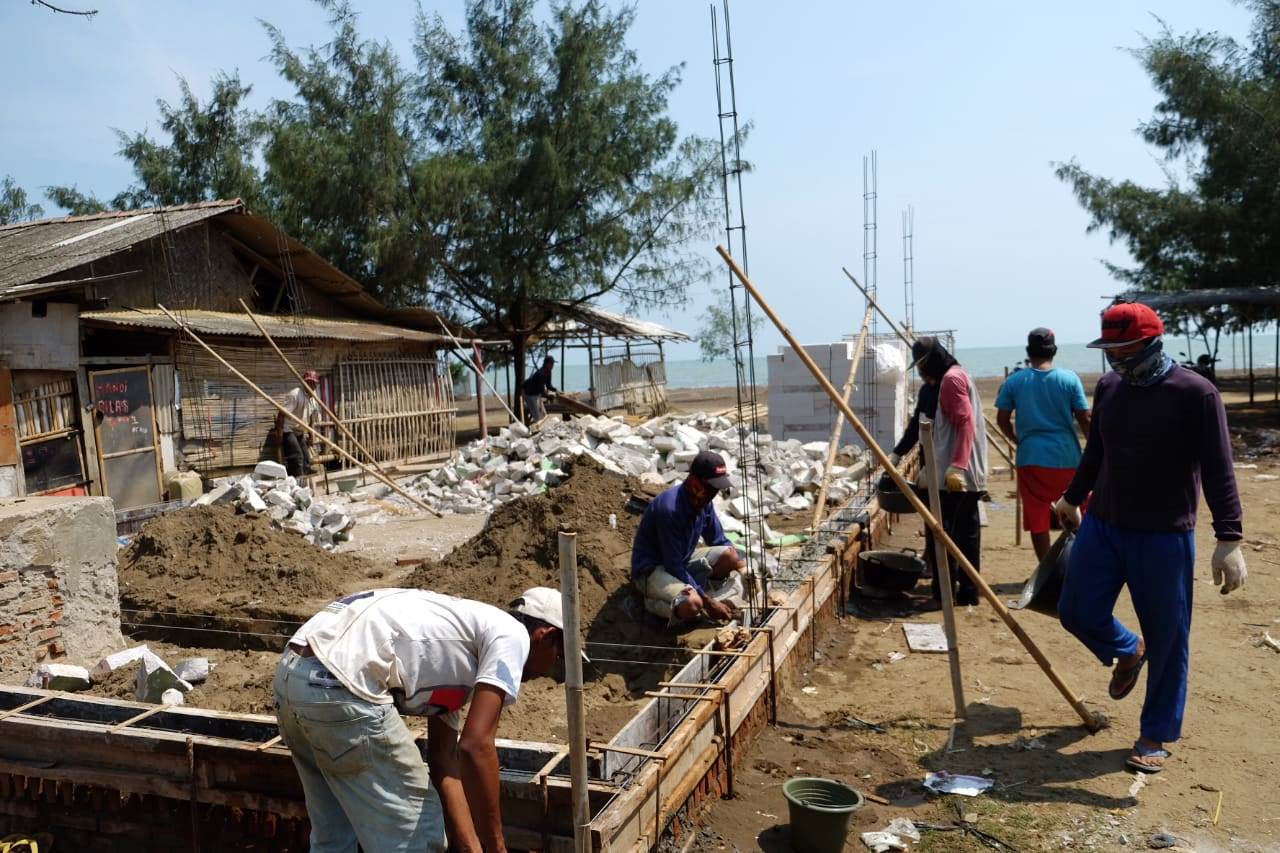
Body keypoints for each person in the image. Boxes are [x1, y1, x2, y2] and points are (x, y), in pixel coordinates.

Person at [1052, 302, 1245, 775]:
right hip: (1104, 524)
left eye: (1125, 349)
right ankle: (1127, 649)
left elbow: (1219, 467)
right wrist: (1071, 498)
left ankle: (1154, 734)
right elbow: (1096, 450)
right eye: (1110, 350)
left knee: (1170, 637)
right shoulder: (1111, 388)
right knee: (1075, 610)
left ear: (1153, 342)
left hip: (1164, 535)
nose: (1116, 359)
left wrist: (1229, 538)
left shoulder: (1194, 393)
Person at [275, 586, 581, 852]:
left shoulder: (461, 644)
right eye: (558, 658)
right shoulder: (513, 636)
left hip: (295, 678)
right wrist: (497, 846)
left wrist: (472, 846)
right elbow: (475, 746)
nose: (549, 671)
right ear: (546, 636)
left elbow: (444, 757)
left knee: (336, 834)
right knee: (418, 831)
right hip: (341, 683)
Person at [994, 328, 1091, 559]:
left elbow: (1002, 419)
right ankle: (1080, 562)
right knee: (1077, 508)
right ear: (1054, 351)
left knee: (1036, 515)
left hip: (1030, 458)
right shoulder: (1069, 379)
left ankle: (1047, 570)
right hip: (1067, 457)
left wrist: (1018, 439)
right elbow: (1085, 418)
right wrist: (1094, 449)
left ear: (1029, 352)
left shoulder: (1015, 381)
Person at [913, 337, 989, 608]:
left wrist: (956, 465)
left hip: (956, 475)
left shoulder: (951, 381)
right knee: (966, 534)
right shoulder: (959, 375)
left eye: (923, 367)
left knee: (944, 534)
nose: (922, 374)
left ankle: (944, 593)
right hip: (964, 471)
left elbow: (966, 423)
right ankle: (968, 591)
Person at [631, 450, 747, 624]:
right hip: (653, 570)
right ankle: (651, 605)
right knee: (692, 604)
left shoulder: (703, 501)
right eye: (711, 487)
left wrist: (743, 568)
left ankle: (696, 594)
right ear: (694, 481)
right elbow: (673, 566)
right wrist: (708, 603)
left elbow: (718, 540)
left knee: (731, 556)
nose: (714, 493)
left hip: (680, 561)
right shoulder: (670, 509)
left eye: (717, 488)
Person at [275, 369, 320, 477]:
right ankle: (298, 478)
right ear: (304, 383)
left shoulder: (313, 398)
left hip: (299, 431)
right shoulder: (295, 394)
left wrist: (311, 435)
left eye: (314, 383)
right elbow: (281, 414)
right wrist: (280, 434)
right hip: (288, 430)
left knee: (306, 458)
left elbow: (310, 419)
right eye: (309, 382)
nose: (312, 385)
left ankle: (307, 473)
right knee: (297, 456)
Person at [521, 356, 557, 423]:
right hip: (530, 394)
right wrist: (549, 396)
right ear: (547, 364)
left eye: (553, 364)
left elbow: (549, 386)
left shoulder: (548, 372)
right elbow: (542, 392)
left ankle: (540, 429)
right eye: (551, 364)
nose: (552, 366)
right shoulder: (540, 374)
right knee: (537, 416)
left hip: (537, 394)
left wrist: (556, 391)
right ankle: (537, 431)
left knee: (543, 415)